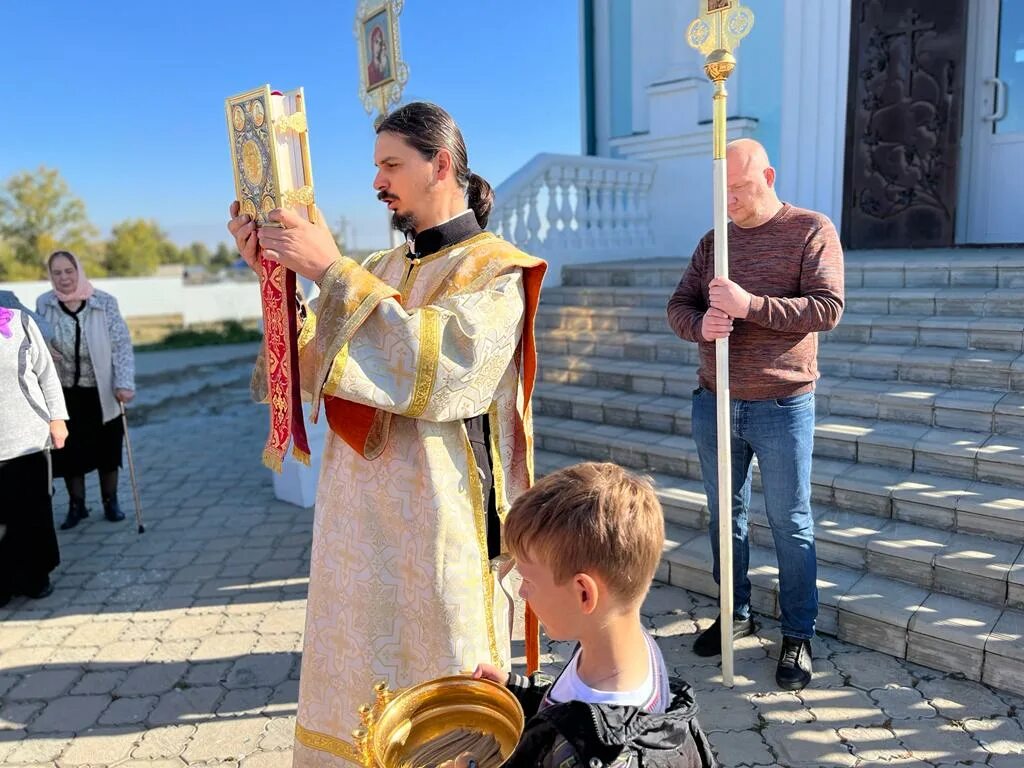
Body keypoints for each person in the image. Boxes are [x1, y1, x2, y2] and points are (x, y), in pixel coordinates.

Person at [227, 101, 546, 766]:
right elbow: (308, 360)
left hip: (442, 523)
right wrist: (277, 280)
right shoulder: (381, 265)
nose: (377, 181)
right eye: (375, 166)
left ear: (441, 165)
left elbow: (446, 368)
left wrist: (331, 272)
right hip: (356, 524)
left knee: (446, 694)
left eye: (390, 165)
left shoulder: (495, 269)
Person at [666, 138, 844, 691]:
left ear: (768, 175)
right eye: (723, 192)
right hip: (714, 401)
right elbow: (678, 305)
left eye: (739, 189)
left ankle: (798, 632)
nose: (730, 202)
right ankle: (736, 613)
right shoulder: (713, 242)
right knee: (726, 518)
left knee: (790, 521)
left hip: (783, 404)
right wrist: (700, 326)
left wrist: (750, 307)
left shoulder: (811, 229)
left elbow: (827, 308)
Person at [465, 462, 716, 768]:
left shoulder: (601, 756)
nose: (522, 593)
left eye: (528, 581)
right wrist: (517, 690)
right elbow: (572, 706)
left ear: (584, 593)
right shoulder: (615, 644)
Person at [36, 250, 136, 530]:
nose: (64, 277)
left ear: (78, 271)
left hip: (103, 391)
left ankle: (110, 502)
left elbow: (121, 345)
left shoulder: (103, 302)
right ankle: (76, 505)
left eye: (69, 271)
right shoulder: (44, 304)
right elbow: (41, 341)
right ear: (50, 275)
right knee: (69, 454)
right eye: (57, 272)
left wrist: (124, 383)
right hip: (65, 393)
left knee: (107, 450)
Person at [0, 306, 69, 607]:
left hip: (28, 436)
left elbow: (47, 374)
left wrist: (58, 418)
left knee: (33, 511)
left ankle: (36, 576)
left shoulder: (20, 321)